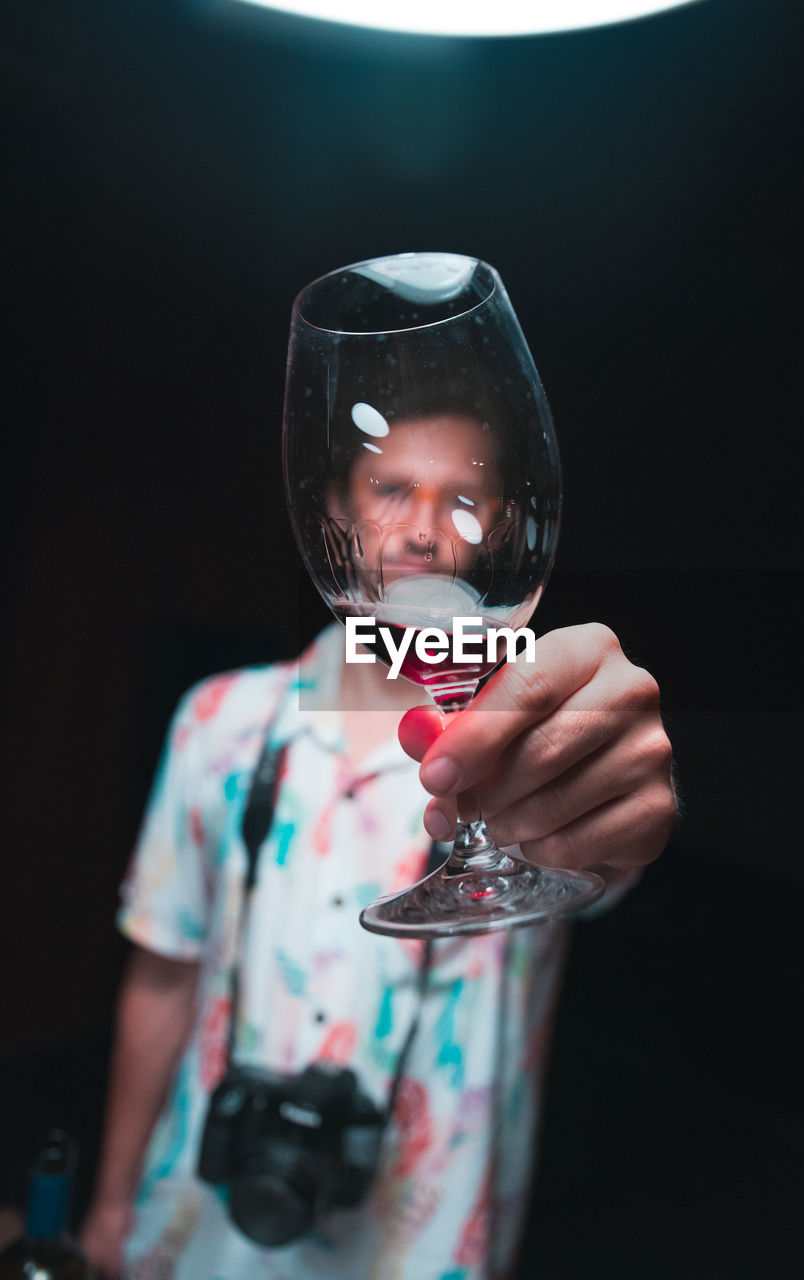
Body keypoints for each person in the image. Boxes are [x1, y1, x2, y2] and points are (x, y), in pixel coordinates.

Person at [81, 413, 676, 1279]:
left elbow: (606, 847)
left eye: (462, 498)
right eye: (392, 489)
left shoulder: (537, 740)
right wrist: (110, 1203)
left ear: (502, 525)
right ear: (334, 512)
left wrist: (627, 801)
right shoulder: (221, 720)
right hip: (194, 1231)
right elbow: (165, 972)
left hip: (423, 1249)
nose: (425, 528)